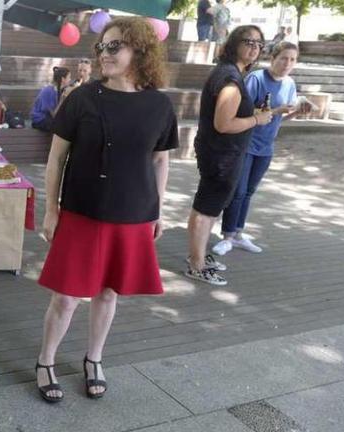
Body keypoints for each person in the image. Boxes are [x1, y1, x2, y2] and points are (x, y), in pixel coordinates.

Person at [35, 18, 178, 403]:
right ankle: (46, 361)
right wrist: (52, 210)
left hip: (132, 215)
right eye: (102, 47)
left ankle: (93, 358)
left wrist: (158, 211)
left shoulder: (159, 105)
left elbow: (161, 162)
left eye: (114, 47)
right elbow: (55, 159)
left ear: (139, 51)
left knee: (108, 294)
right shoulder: (82, 98)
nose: (104, 54)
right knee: (65, 297)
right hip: (82, 211)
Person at [185, 26, 272, 286]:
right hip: (222, 155)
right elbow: (224, 124)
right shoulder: (231, 80)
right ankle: (197, 264)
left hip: (219, 153)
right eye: (248, 41)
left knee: (206, 206)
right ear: (234, 44)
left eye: (259, 43)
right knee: (206, 209)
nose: (254, 47)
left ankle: (196, 256)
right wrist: (257, 118)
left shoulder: (229, 74)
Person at [212, 42, 313, 256]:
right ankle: (227, 236)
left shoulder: (290, 84)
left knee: (249, 192)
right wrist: (276, 110)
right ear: (273, 58)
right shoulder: (256, 78)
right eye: (284, 58)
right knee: (238, 192)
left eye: (293, 60)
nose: (288, 63)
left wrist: (297, 113)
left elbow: (279, 119)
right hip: (245, 143)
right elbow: (241, 111)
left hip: (266, 147)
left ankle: (238, 234)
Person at [31, 67, 71, 131]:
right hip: (39, 120)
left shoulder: (60, 90)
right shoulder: (49, 90)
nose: (70, 80)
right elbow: (55, 115)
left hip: (48, 118)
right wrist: (62, 99)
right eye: (69, 77)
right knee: (61, 127)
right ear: (63, 79)